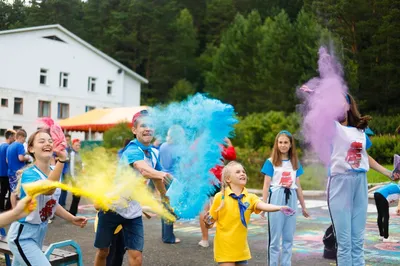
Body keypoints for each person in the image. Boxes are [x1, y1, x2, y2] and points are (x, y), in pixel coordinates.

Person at [327, 93, 400, 265]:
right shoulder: (332, 127)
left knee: (358, 242)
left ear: (348, 105)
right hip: (340, 182)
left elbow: (365, 156)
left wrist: (389, 173)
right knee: (344, 244)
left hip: (360, 182)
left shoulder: (360, 131)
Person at [94, 110, 173, 266]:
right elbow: (142, 168)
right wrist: (161, 174)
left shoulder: (155, 153)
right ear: (134, 130)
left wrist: (165, 199)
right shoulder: (131, 150)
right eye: (143, 125)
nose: (147, 128)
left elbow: (157, 180)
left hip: (133, 212)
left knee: (136, 256)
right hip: (111, 207)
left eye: (151, 125)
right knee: (104, 252)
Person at [7, 129, 87, 266]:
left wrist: (71, 218)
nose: (48, 143)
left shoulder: (54, 171)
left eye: (50, 141)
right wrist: (62, 160)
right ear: (31, 148)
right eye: (42, 141)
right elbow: (49, 190)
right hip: (23, 236)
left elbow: (52, 202)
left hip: (39, 234)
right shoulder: (29, 174)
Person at [205, 161, 292, 266]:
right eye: (237, 172)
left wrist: (279, 207)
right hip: (224, 247)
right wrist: (207, 222)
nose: (242, 173)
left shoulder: (250, 197)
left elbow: (263, 205)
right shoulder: (220, 197)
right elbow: (210, 222)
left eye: (243, 171)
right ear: (228, 179)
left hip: (241, 249)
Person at [260, 130, 310, 266]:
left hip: (291, 198)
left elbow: (298, 186)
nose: (283, 145)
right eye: (280, 142)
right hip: (276, 198)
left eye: (286, 142)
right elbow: (266, 185)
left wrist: (303, 206)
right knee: (275, 239)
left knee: (288, 237)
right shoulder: (270, 162)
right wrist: (264, 206)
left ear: (290, 144)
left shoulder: (295, 162)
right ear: (276, 144)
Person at [199, 137, 236, 248]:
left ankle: (205, 239)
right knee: (222, 207)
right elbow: (231, 156)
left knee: (204, 209)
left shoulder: (201, 145)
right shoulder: (219, 146)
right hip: (219, 180)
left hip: (204, 180)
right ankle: (223, 238)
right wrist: (229, 142)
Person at [158, 125, 186, 244]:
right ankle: (168, 237)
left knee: (166, 207)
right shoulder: (178, 148)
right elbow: (182, 166)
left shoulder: (163, 146)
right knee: (172, 208)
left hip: (162, 178)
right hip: (174, 180)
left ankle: (166, 235)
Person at [6, 129, 30, 208]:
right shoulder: (20, 145)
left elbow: (7, 160)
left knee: (13, 192)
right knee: (22, 191)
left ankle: (14, 209)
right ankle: (20, 209)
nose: (24, 140)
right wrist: (27, 158)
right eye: (24, 138)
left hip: (10, 171)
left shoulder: (10, 146)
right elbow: (21, 158)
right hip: (18, 172)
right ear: (20, 137)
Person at [0, 129, 16, 211]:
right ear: (10, 137)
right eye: (14, 137)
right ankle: (8, 208)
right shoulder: (8, 147)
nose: (15, 139)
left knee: (2, 191)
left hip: (1, 172)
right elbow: (8, 160)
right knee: (11, 191)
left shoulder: (1, 146)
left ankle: (1, 207)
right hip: (6, 173)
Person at [68, 139, 83, 216]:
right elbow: (71, 167)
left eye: (79, 145)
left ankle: (73, 212)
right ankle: (72, 213)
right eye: (76, 145)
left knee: (77, 196)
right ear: (72, 145)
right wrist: (74, 179)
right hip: (75, 178)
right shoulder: (72, 154)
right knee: (76, 196)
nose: (78, 147)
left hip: (79, 178)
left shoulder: (77, 153)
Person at [58, 134, 71, 208]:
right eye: (66, 139)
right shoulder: (60, 148)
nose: (67, 141)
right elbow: (54, 158)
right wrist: (63, 158)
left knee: (65, 188)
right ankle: (59, 203)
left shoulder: (70, 148)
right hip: (61, 170)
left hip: (67, 170)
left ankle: (63, 203)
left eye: (68, 139)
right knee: (60, 188)